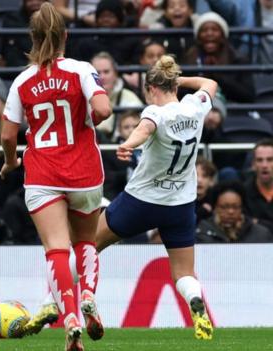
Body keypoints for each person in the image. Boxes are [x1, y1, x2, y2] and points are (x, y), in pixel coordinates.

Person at [0, 3, 112, 350]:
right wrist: (88, 119)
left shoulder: (22, 80)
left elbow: (7, 135)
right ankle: (89, 294)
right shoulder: (80, 70)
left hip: (43, 173)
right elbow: (104, 109)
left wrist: (10, 162)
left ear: (32, 39)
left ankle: (71, 316)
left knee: (56, 250)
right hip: (84, 170)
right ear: (66, 36)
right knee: (86, 242)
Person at [94, 55, 217, 340]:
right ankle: (195, 302)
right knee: (184, 273)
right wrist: (179, 80)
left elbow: (144, 128)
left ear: (150, 88)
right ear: (173, 84)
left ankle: (50, 303)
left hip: (142, 202)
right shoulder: (194, 107)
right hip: (181, 204)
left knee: (89, 246)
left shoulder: (155, 112)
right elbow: (210, 82)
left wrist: (127, 143)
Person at [196, 181, 273, 243]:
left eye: (235, 207)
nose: (230, 211)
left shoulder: (260, 234)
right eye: (224, 207)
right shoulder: (202, 233)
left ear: (242, 208)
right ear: (215, 208)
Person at [91, 52, 143, 140]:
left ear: (115, 74)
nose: (102, 77)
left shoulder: (130, 99)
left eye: (106, 72)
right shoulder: (82, 98)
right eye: (97, 72)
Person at [243, 138, 273, 233]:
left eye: (270, 160)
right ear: (253, 164)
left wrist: (258, 222)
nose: (264, 165)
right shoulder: (243, 192)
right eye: (259, 160)